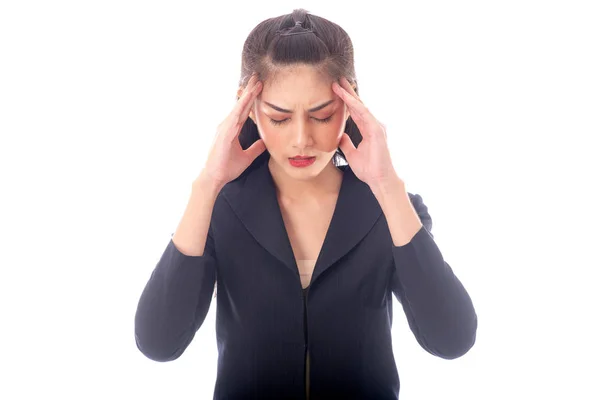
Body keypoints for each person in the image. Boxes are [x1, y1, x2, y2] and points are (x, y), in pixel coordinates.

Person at [134, 8, 478, 400]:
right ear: (247, 109)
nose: (301, 139)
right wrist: (208, 185)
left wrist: (387, 186)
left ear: (350, 104)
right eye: (280, 118)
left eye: (322, 115)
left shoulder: (390, 208)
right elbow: (158, 343)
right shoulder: (220, 209)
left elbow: (452, 340)